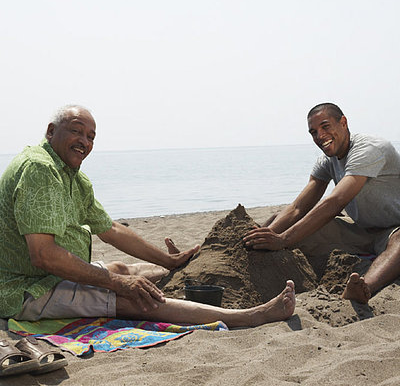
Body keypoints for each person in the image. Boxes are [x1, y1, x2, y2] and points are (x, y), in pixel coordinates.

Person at [0, 104, 295, 328]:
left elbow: (111, 229)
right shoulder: (39, 169)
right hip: (27, 290)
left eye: (90, 136)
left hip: (49, 277)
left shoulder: (72, 176)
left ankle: (176, 273)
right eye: (76, 131)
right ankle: (248, 317)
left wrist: (168, 261)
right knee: (135, 299)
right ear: (51, 131)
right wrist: (116, 284)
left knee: (119, 267)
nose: (84, 141)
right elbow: (44, 256)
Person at [243, 103, 400, 305]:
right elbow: (298, 208)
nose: (320, 136)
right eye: (313, 132)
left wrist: (283, 240)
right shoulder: (327, 161)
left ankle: (363, 288)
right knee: (277, 221)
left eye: (325, 127)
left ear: (343, 122)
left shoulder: (369, 148)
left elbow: (335, 202)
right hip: (362, 232)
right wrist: (265, 237)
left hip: (394, 228)